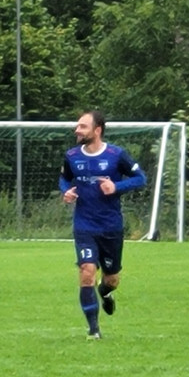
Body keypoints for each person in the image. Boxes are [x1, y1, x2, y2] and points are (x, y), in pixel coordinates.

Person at [59, 110, 147, 339]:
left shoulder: (116, 155)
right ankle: (93, 330)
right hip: (84, 225)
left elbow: (141, 179)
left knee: (112, 279)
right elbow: (64, 179)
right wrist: (66, 192)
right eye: (77, 126)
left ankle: (106, 293)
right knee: (86, 271)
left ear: (97, 130)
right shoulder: (71, 156)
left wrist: (116, 187)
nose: (77, 130)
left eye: (82, 126)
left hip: (111, 227)